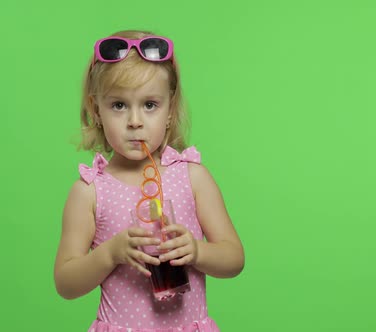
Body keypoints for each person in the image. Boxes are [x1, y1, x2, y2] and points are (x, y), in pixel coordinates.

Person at [54, 30, 245, 331]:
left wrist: (197, 251)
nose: (135, 121)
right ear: (96, 110)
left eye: (150, 105)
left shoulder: (193, 177)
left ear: (170, 109)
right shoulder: (90, 191)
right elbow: (66, 283)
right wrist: (110, 253)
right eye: (118, 105)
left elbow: (234, 258)